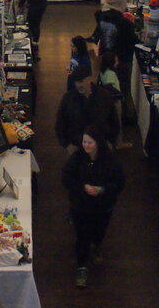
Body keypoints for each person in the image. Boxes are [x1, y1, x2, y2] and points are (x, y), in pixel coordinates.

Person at [62, 124, 125, 288]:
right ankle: (82, 266)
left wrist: (102, 189)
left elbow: (119, 184)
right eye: (84, 142)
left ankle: (96, 246)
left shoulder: (110, 162)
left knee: (99, 231)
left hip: (102, 207)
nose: (86, 145)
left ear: (98, 143)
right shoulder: (77, 158)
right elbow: (66, 178)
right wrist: (83, 187)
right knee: (82, 236)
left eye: (89, 142)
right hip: (80, 206)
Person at [56, 65, 119, 152]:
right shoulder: (68, 99)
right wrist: (67, 144)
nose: (78, 85)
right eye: (76, 82)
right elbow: (60, 123)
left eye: (81, 81)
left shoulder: (104, 97)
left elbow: (114, 121)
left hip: (101, 147)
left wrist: (111, 142)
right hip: (76, 147)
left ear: (89, 79)